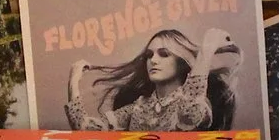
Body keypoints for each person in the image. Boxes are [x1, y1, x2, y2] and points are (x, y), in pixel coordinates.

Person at [66, 27, 240, 130]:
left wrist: (205, 53)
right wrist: (74, 81)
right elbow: (86, 131)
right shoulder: (137, 108)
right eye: (149, 55)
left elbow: (189, 115)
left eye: (164, 54)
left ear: (180, 62)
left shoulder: (197, 103)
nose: (153, 60)